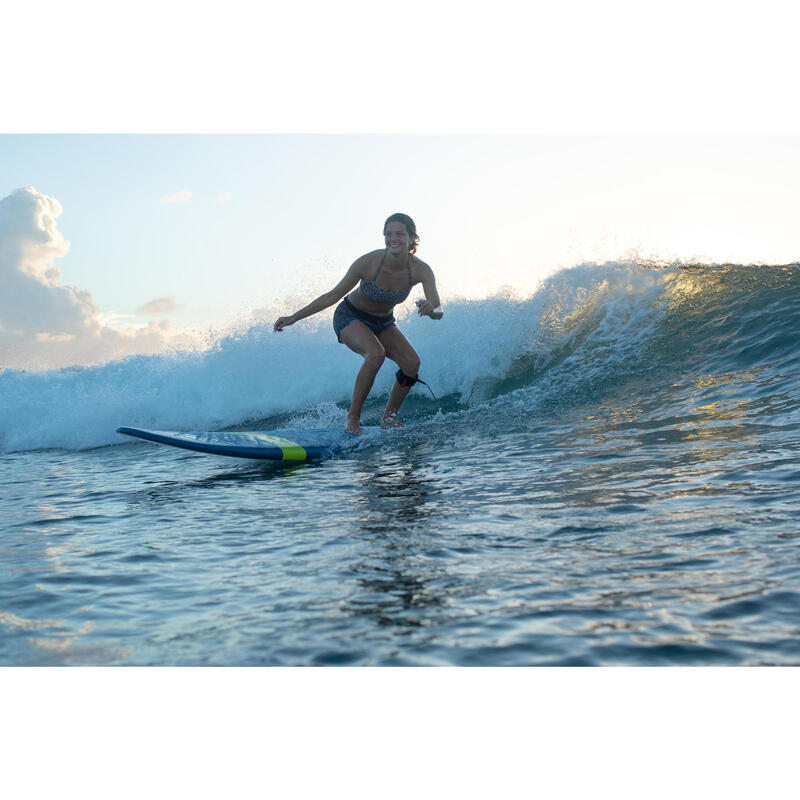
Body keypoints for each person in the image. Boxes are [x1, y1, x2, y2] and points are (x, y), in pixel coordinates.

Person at [274, 213, 443, 434]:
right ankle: (352, 419)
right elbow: (331, 296)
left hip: (383, 322)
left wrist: (431, 310)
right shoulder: (369, 263)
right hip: (350, 316)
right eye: (388, 234)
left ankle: (389, 417)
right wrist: (294, 317)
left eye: (400, 234)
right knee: (376, 354)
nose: (393, 238)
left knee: (412, 363)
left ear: (412, 239)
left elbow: (438, 310)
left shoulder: (421, 270)